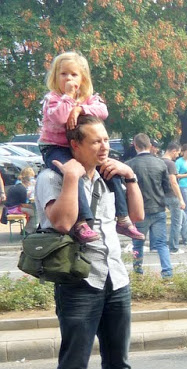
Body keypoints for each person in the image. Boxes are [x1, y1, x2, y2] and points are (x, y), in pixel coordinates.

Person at [34, 115, 149, 369]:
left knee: (119, 362)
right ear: (75, 145)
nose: (105, 147)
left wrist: (130, 178)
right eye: (96, 141)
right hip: (79, 283)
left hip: (115, 279)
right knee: (73, 365)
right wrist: (72, 178)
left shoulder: (107, 177)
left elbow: (138, 215)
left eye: (106, 140)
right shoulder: (52, 177)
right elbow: (64, 222)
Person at [38, 52, 143, 244]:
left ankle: (123, 218)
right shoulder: (53, 98)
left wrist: (80, 108)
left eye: (74, 74)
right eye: (63, 74)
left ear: (83, 78)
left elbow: (103, 111)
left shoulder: (87, 98)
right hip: (55, 147)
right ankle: (82, 222)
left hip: (77, 147)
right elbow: (60, 117)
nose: (69, 78)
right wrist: (69, 97)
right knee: (74, 172)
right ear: (55, 77)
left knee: (112, 172)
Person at [126, 133, 174, 279]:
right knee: (161, 243)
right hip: (158, 207)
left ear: (135, 145)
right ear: (150, 145)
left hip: (139, 210)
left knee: (138, 244)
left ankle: (138, 273)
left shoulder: (130, 165)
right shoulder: (161, 163)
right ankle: (167, 272)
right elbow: (167, 187)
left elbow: (125, 190)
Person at [162, 142, 187, 253]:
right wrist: (181, 199)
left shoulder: (158, 161)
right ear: (173, 151)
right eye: (177, 153)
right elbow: (174, 182)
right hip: (172, 195)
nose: (177, 155)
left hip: (162, 195)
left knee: (182, 217)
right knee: (176, 222)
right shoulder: (170, 164)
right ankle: (174, 247)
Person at [5, 168, 37, 232]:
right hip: (13, 209)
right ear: (28, 182)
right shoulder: (22, 189)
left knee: (33, 211)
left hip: (9, 208)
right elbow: (23, 204)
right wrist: (33, 207)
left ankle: (28, 228)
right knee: (34, 213)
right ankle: (27, 230)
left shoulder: (18, 186)